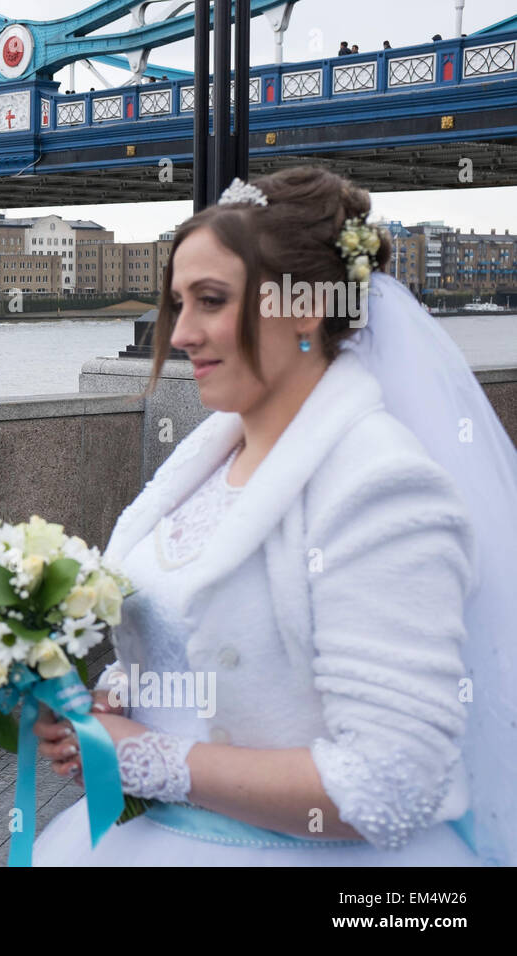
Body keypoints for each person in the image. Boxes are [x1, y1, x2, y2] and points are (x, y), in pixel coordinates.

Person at [31, 165, 517, 866]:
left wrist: (149, 759)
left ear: (306, 306)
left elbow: (389, 784)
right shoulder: (204, 463)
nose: (183, 333)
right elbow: (196, 648)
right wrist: (111, 709)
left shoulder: (381, 485)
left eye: (211, 300)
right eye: (178, 303)